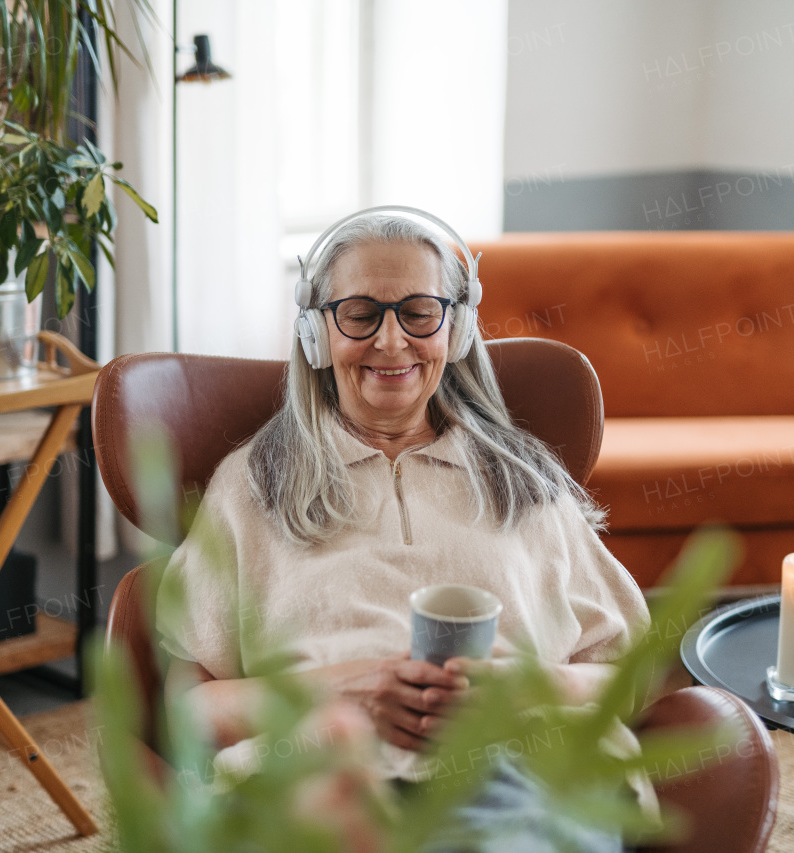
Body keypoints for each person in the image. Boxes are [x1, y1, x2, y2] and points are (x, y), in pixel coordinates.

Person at [156, 209, 650, 850]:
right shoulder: (253, 486)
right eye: (360, 314)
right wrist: (348, 693)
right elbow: (188, 710)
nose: (392, 342)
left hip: (519, 768)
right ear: (316, 333)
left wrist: (526, 686)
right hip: (322, 774)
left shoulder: (524, 482)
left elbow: (629, 676)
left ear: (458, 326)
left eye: (419, 312)